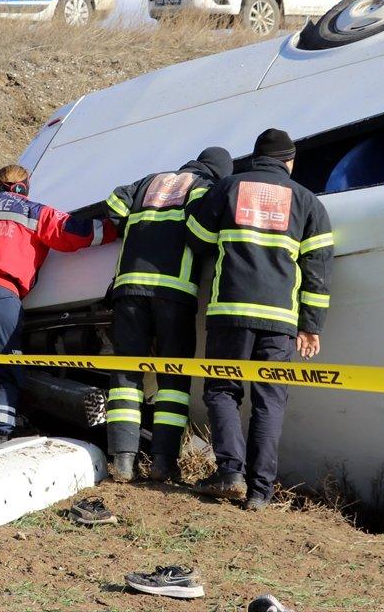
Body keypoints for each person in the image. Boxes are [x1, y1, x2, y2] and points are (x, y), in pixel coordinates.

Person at [186, 129, 333, 510]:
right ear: (290, 161)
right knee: (270, 402)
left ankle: (229, 473)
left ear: (255, 158)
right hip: (280, 321)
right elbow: (318, 268)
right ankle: (260, 492)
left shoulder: (230, 187)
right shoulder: (308, 201)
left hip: (230, 313)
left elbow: (197, 236)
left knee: (222, 391)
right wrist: (311, 325)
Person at [0, 164, 117, 447]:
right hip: (1, 293)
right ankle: (0, 432)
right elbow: (77, 233)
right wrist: (119, 226)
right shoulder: (34, 211)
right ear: (25, 186)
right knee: (9, 364)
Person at [102, 147, 233, 483]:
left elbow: (114, 205)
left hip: (129, 287)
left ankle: (123, 461)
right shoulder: (204, 188)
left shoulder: (151, 180)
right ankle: (163, 462)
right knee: (173, 379)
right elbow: (205, 236)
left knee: (126, 374)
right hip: (174, 291)